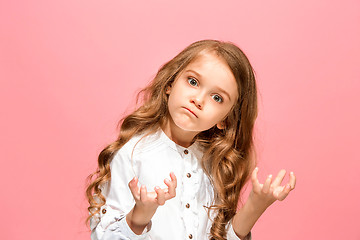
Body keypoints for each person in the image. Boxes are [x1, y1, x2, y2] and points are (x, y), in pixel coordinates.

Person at [86, 39, 296, 240]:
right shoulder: (132, 154)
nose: (198, 99)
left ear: (226, 119)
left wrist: (255, 205)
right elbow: (103, 235)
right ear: (170, 84)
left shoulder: (214, 166)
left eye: (217, 97)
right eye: (193, 82)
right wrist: (139, 217)